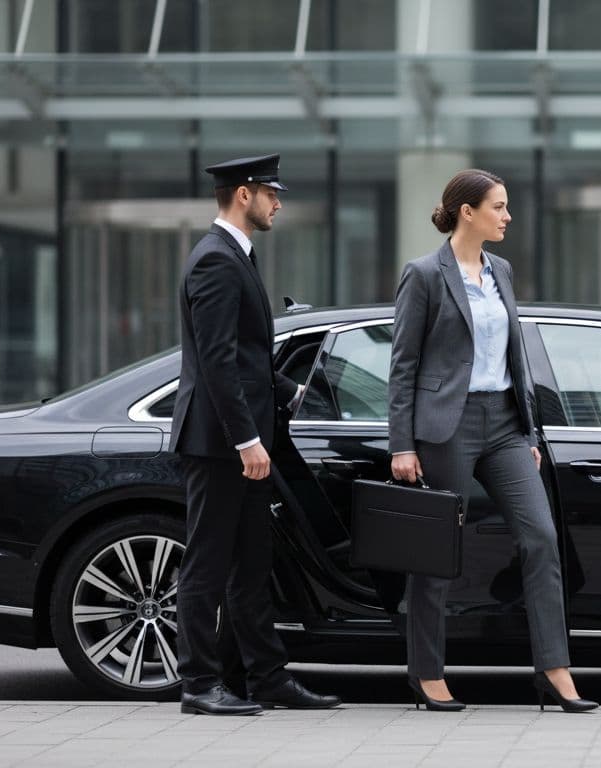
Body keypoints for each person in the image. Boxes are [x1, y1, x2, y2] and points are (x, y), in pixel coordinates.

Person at [388, 169, 597, 713]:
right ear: (468, 212)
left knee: (541, 538)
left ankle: (553, 670)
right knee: (437, 551)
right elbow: (403, 365)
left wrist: (527, 430)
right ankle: (427, 674)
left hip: (503, 422)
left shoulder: (500, 270)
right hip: (446, 425)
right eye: (498, 207)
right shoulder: (424, 274)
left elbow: (515, 356)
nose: (507, 216)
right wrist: (401, 444)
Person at [169, 154, 341, 715]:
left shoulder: (234, 256)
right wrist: (246, 441)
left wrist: (294, 391)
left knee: (252, 565)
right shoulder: (215, 261)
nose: (278, 203)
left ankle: (266, 678)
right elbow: (216, 362)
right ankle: (199, 685)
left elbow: (246, 358)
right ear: (244, 194)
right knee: (207, 565)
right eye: (272, 193)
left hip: (241, 441)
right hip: (220, 445)